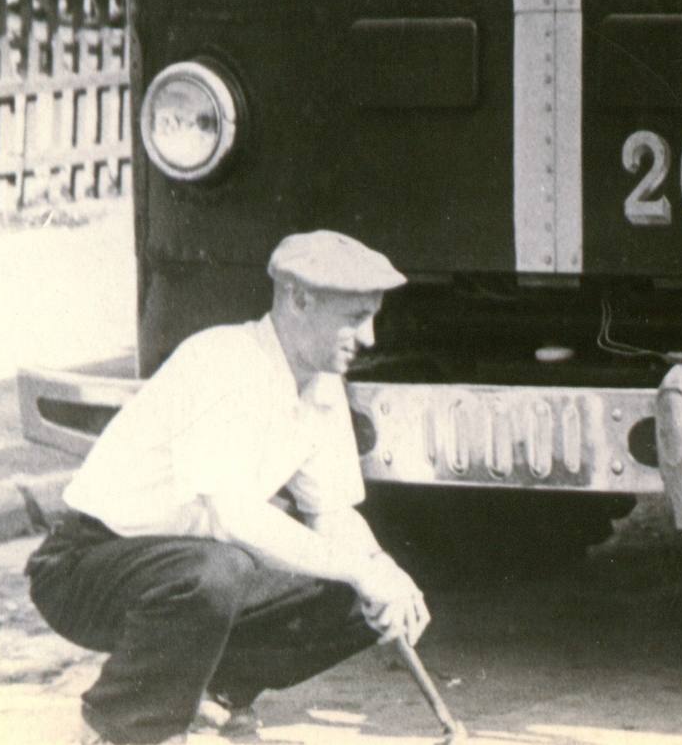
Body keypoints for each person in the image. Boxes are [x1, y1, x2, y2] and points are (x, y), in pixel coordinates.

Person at [26, 230, 429, 743]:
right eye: (354, 317)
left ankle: (212, 698)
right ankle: (115, 724)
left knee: (357, 597)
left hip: (180, 565)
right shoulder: (225, 362)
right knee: (218, 571)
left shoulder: (321, 383)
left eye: (372, 316)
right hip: (85, 565)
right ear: (298, 300)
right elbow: (232, 518)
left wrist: (383, 574)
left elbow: (332, 513)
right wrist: (358, 568)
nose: (370, 337)